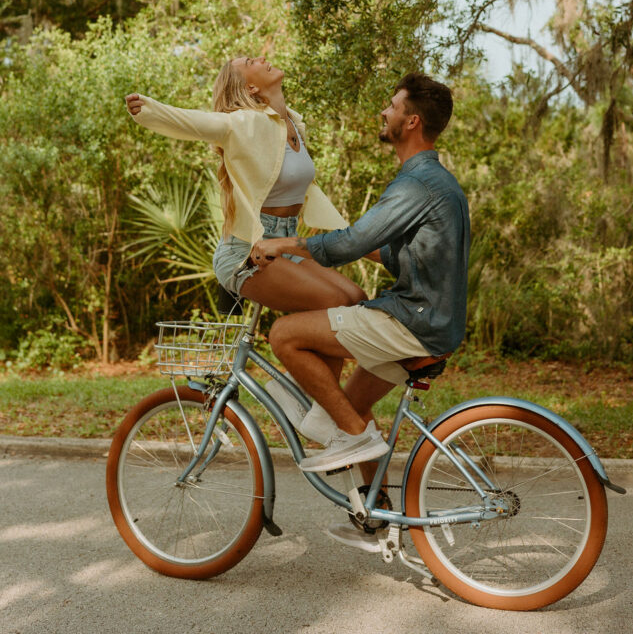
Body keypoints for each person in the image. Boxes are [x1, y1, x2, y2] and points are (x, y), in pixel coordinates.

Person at [252, 72, 469, 548]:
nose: (384, 113)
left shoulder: (418, 183)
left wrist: (285, 244)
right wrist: (318, 247)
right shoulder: (434, 181)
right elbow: (392, 252)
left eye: (391, 106)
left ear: (411, 121)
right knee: (354, 405)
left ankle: (351, 437)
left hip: (412, 320)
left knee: (285, 335)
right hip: (433, 322)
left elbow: (351, 242)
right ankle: (376, 514)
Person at [126, 55, 366, 444]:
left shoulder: (292, 123)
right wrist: (149, 109)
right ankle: (317, 405)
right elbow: (198, 123)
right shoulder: (244, 124)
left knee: (353, 298)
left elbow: (311, 194)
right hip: (247, 252)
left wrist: (361, 242)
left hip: (287, 245)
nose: (262, 57)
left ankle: (310, 399)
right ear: (250, 87)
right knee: (334, 300)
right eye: (250, 62)